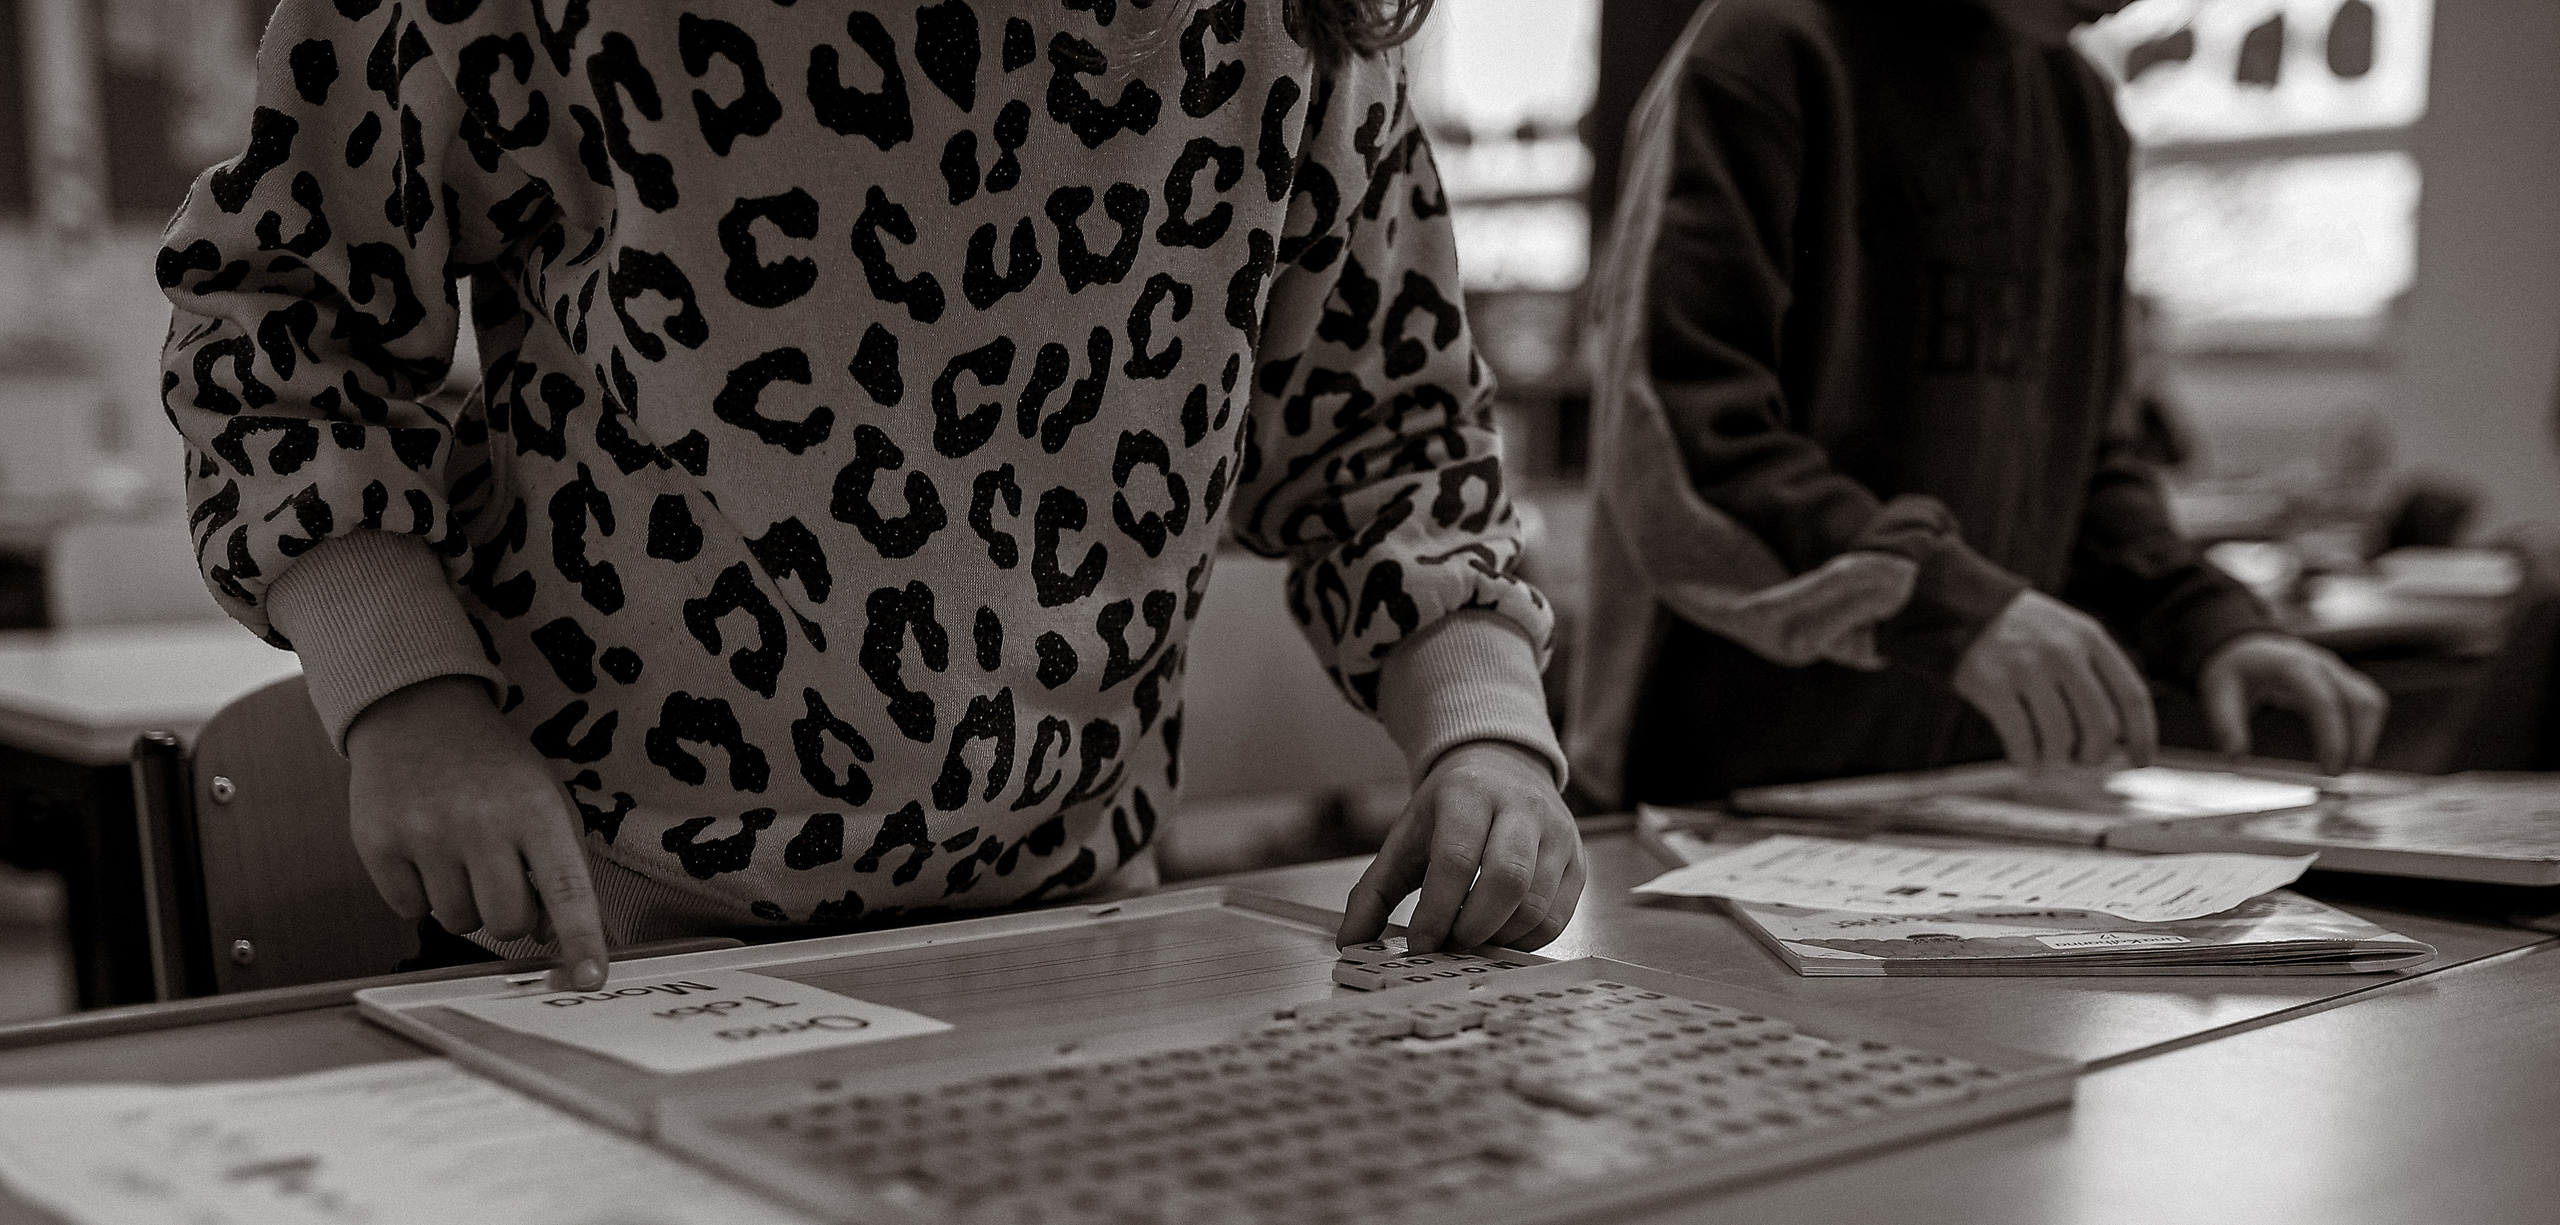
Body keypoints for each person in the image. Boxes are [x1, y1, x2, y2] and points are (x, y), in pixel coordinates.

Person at [162, 0, 1581, 989]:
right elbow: (283, 318)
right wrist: (413, 703)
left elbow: (1386, 434)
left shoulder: (1296, 24)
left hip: (1069, 936)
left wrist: (1487, 740)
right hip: (606, 927)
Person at [1566, 0, 2391, 810]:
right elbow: (1683, 451)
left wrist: (2210, 622)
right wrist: (1946, 607)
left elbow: (2091, 467)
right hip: (1712, 794)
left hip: (1967, 796)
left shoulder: (2081, 110)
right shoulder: (1767, 47)